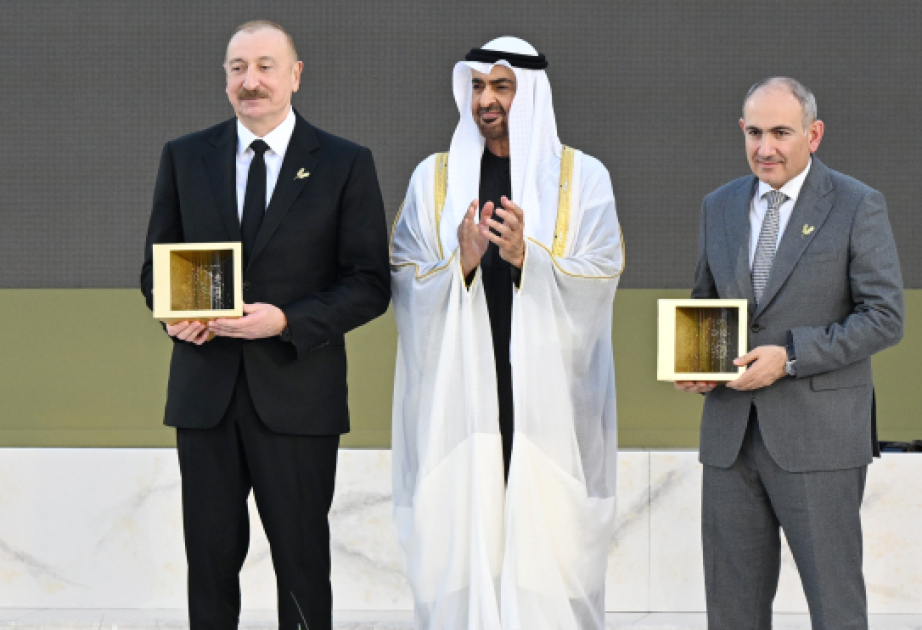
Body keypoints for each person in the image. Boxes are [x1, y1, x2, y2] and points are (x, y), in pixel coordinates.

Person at [139, 20, 390, 630]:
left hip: (298, 395)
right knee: (209, 561)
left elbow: (370, 284)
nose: (250, 81)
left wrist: (287, 321)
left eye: (265, 66)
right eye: (237, 68)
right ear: (225, 78)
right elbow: (155, 269)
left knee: (302, 562)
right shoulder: (184, 156)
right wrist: (175, 315)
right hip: (206, 395)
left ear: (295, 75)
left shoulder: (344, 163)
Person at [390, 37, 624, 629]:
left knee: (548, 550)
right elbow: (404, 274)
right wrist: (461, 264)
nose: (486, 100)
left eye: (502, 86)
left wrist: (528, 258)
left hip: (548, 400)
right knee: (465, 539)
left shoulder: (582, 178)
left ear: (532, 94)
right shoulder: (435, 177)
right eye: (477, 86)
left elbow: (601, 275)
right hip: (461, 393)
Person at [676, 77, 904, 629]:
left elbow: (884, 317)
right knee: (731, 611)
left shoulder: (856, 204)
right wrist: (696, 362)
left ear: (814, 134)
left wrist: (791, 356)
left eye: (781, 132)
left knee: (835, 607)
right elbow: (707, 302)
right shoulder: (718, 206)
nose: (765, 147)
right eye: (754, 132)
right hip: (730, 440)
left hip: (820, 439)